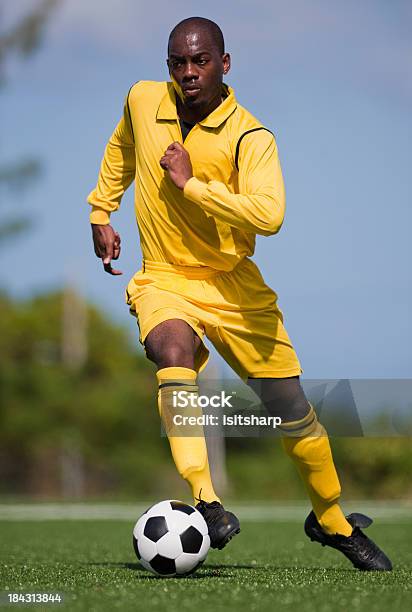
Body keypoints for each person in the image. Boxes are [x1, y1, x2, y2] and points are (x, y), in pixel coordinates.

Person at [88, 16, 392, 570]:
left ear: (224, 64)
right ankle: (206, 500)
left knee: (292, 412)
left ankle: (331, 520)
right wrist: (101, 210)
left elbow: (269, 215)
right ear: (167, 66)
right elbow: (121, 149)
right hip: (164, 277)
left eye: (200, 61)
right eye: (178, 62)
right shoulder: (141, 99)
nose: (188, 72)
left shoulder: (251, 136)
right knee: (170, 351)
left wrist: (191, 184)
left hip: (234, 287)